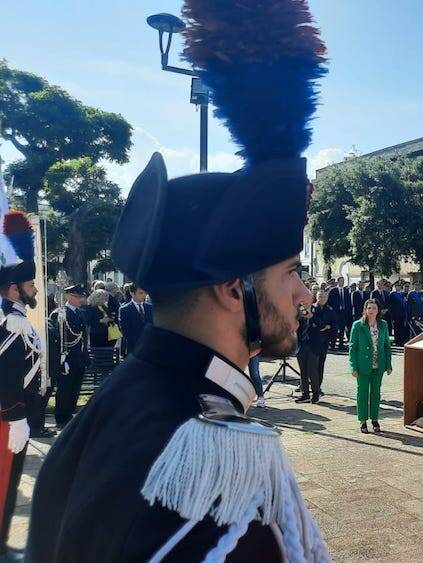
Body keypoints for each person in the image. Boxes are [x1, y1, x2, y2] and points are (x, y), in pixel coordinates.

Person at [26, 2, 330, 558]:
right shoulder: (217, 472)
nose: (305, 293)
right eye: (290, 272)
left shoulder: (113, 403)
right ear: (233, 286)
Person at [0, 211, 45, 559]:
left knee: (11, 483)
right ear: (15, 288)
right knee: (4, 484)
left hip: (18, 413)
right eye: (30, 286)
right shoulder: (11, 323)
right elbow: (6, 372)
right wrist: (15, 414)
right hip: (7, 417)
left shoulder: (16, 319)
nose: (35, 290)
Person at [349, 299, 392, 433]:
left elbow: (386, 345)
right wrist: (353, 367)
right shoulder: (358, 325)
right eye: (369, 308)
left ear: (378, 310)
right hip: (362, 365)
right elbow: (353, 347)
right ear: (365, 310)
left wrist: (388, 364)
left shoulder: (383, 325)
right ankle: (363, 421)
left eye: (374, 308)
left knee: (376, 393)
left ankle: (375, 419)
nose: (372, 311)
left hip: (378, 365)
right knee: (362, 393)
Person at [50, 284, 89, 429]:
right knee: (65, 389)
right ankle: (61, 417)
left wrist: (85, 355)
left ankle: (69, 414)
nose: (80, 300)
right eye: (76, 297)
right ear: (68, 296)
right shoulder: (60, 313)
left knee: (75, 389)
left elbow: (83, 336)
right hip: (66, 357)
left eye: (81, 297)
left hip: (79, 357)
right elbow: (57, 338)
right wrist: (60, 358)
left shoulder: (80, 313)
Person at [85, 288, 121, 385]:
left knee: (108, 355)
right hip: (97, 334)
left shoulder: (104, 306)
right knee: (98, 355)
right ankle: (99, 376)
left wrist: (110, 318)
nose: (106, 299)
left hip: (107, 334)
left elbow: (108, 315)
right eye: (104, 297)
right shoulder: (90, 307)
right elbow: (88, 321)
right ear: (97, 298)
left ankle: (107, 375)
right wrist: (100, 321)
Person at [307, 289, 335, 396]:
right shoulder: (312, 308)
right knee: (311, 366)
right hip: (312, 341)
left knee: (320, 365)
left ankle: (318, 388)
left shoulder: (330, 310)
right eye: (320, 296)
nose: (322, 299)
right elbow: (312, 322)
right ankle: (311, 387)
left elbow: (334, 324)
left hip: (324, 341)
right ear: (316, 297)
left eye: (324, 297)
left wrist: (329, 327)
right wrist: (324, 326)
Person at [118, 283, 153, 357]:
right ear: (132, 293)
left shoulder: (150, 307)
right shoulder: (124, 309)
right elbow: (126, 331)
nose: (144, 295)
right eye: (140, 293)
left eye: (145, 293)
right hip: (134, 347)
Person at [389, 281, 407, 346]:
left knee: (402, 329)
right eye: (397, 286)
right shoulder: (392, 294)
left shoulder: (403, 294)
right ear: (395, 287)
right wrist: (392, 316)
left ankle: (401, 341)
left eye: (399, 286)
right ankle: (397, 341)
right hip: (396, 315)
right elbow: (391, 306)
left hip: (402, 315)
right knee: (396, 329)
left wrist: (405, 316)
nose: (398, 287)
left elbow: (405, 306)